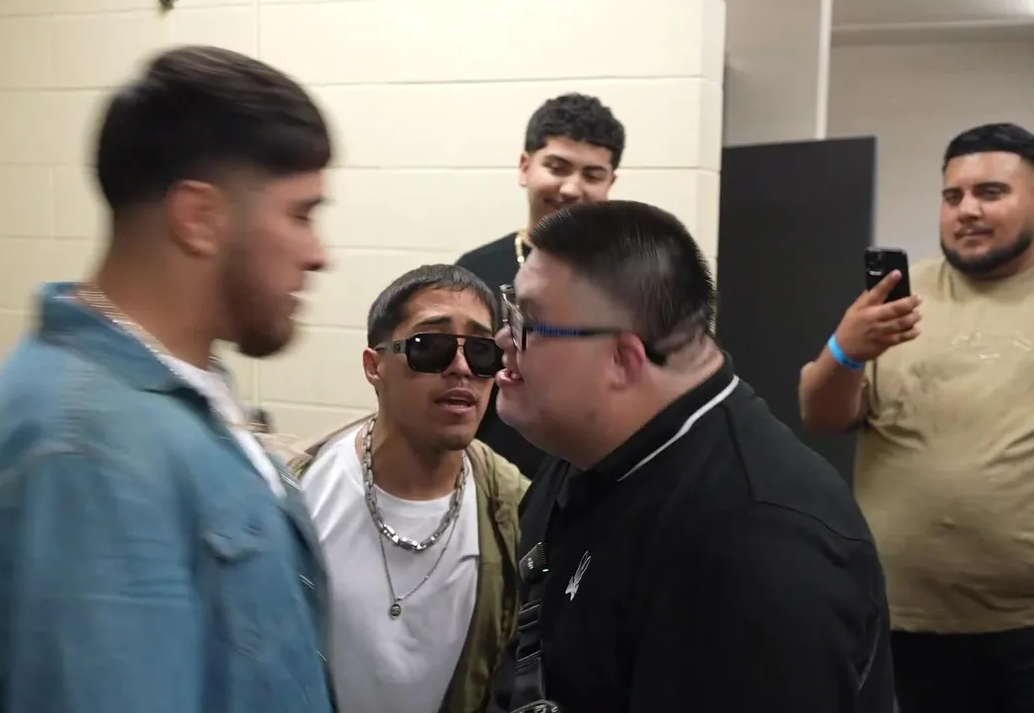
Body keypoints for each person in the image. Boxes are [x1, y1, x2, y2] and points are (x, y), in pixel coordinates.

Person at [0, 45, 336, 713]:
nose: (318, 254)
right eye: (300, 214)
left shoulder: (174, 392)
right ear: (199, 219)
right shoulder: (81, 453)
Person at [799, 122, 1034, 712]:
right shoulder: (898, 302)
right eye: (952, 196)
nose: (967, 210)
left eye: (991, 193)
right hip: (912, 626)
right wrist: (845, 350)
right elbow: (820, 416)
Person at [486, 200, 895, 712]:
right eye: (511, 308)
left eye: (529, 322)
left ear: (622, 359)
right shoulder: (587, 451)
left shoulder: (760, 552)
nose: (503, 338)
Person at [290, 264, 529, 713]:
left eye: (482, 352)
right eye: (431, 346)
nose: (461, 368)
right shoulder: (300, 493)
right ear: (374, 365)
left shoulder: (517, 511)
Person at [455, 93, 626, 479]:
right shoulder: (474, 273)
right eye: (557, 167)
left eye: (592, 175)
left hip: (598, 485)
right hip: (491, 484)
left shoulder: (630, 280)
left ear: (610, 183)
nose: (571, 188)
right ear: (525, 166)